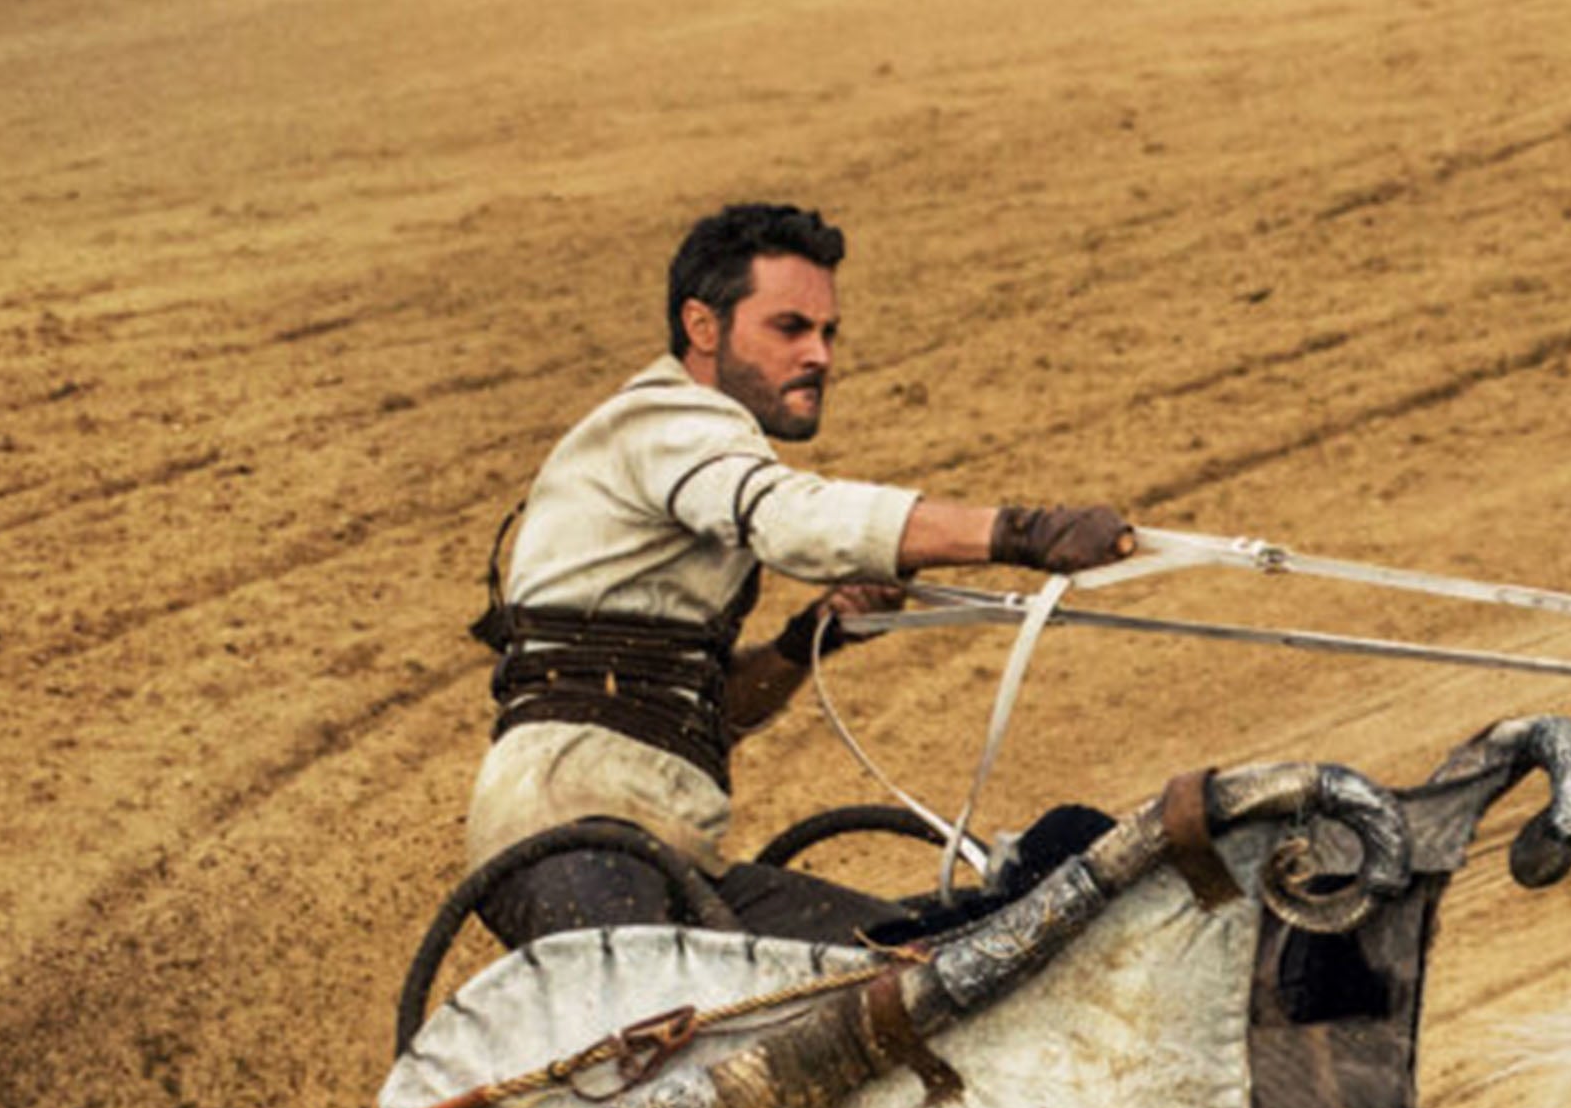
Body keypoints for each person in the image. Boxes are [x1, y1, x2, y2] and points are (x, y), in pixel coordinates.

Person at [466, 201, 1140, 949]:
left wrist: (802, 641)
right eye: (790, 328)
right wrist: (1021, 531)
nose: (819, 354)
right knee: (676, 1044)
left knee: (922, 963)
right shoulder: (664, 422)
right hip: (571, 839)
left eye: (828, 333)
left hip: (667, 854)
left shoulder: (691, 457)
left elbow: (703, 713)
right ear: (702, 327)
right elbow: (791, 519)